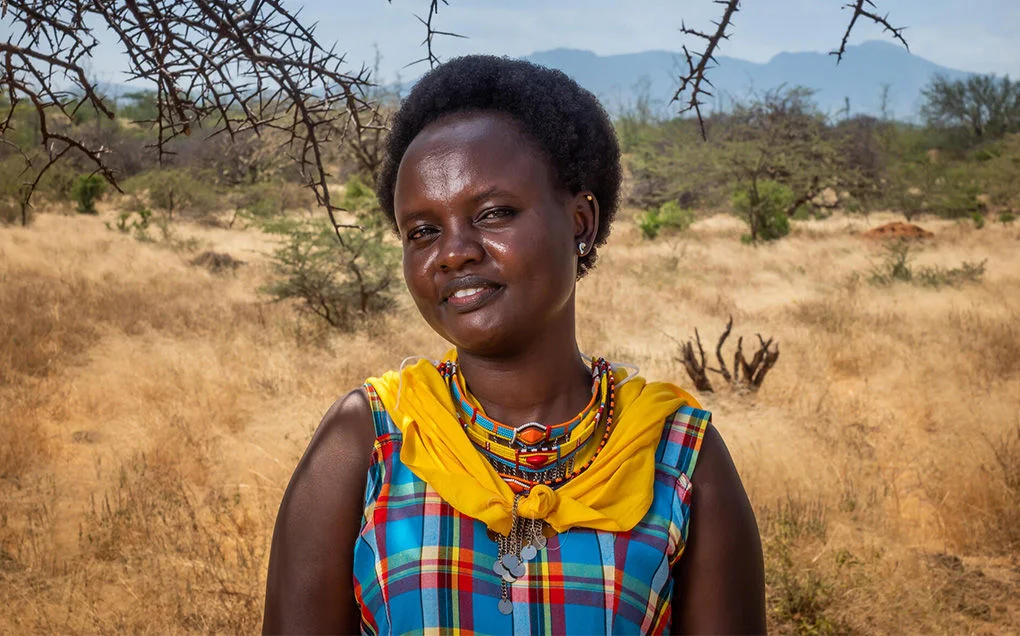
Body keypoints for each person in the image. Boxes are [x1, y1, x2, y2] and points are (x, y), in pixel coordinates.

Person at [263, 55, 765, 635]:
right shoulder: (368, 440)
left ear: (581, 222)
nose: (454, 252)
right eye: (422, 231)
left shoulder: (677, 454)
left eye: (494, 213)